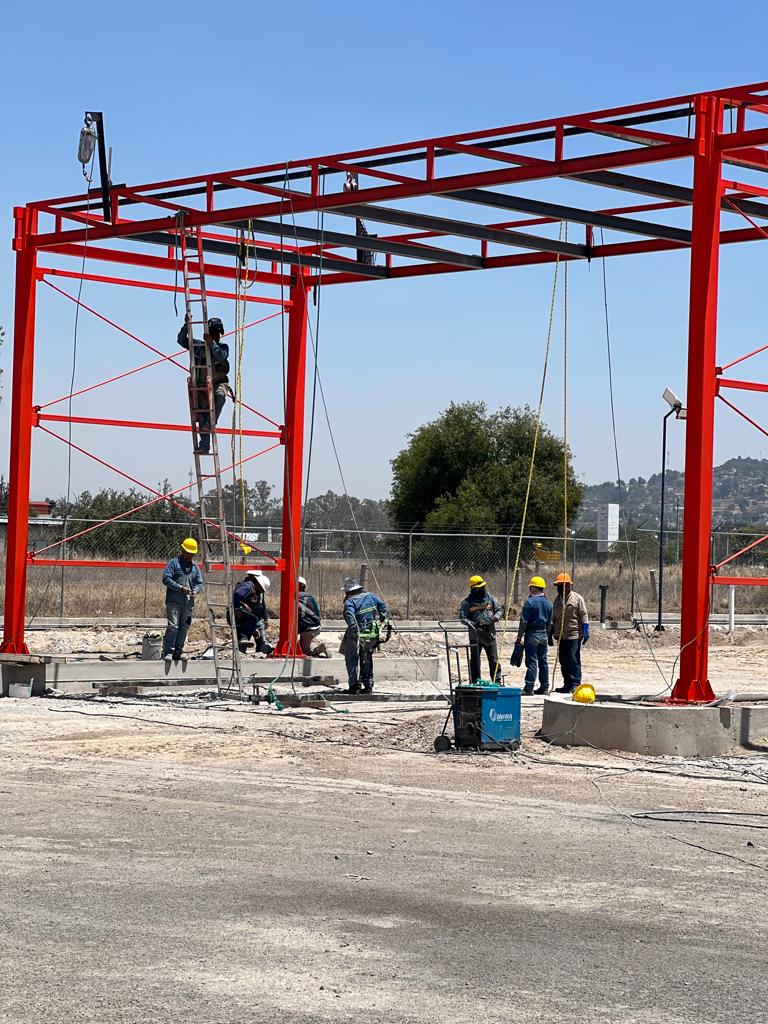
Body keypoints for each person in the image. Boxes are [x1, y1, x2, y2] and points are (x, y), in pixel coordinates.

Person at [177, 314, 230, 454]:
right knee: (202, 413)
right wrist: (186, 326)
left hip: (218, 383)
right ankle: (204, 445)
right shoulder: (199, 347)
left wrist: (211, 344)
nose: (216, 336)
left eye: (217, 334)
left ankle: (211, 423)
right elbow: (181, 340)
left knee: (220, 397)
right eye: (213, 333)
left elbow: (221, 356)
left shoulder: (223, 347)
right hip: (202, 386)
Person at [341, 577, 388, 694]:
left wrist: (354, 632)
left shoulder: (349, 602)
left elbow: (350, 617)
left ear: (348, 591)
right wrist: (382, 621)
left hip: (356, 634)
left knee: (351, 658)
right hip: (371, 632)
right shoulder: (371, 596)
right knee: (366, 658)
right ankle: (368, 686)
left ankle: (354, 686)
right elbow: (383, 607)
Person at [162, 538, 204, 663]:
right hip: (174, 602)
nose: (190, 556)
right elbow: (166, 579)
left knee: (184, 627)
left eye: (192, 554)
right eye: (188, 553)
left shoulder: (195, 568)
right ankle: (168, 651)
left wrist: (195, 590)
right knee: (173, 626)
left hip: (187, 603)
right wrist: (180, 588)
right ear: (183, 550)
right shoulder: (173, 563)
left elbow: (199, 583)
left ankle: (178, 652)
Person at [512, 576, 554, 696]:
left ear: (534, 588)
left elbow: (524, 622)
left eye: (530, 587)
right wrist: (547, 635)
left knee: (532, 662)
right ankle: (544, 687)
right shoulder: (549, 604)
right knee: (543, 661)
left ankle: (529, 687)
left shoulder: (529, 602)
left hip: (532, 635)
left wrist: (519, 637)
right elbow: (550, 623)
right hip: (543, 634)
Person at [459, 574, 503, 684]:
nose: (483, 589)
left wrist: (493, 618)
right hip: (475, 637)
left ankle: (496, 681)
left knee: (494, 660)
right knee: (475, 661)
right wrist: (474, 624)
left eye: (483, 586)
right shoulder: (467, 602)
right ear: (473, 589)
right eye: (480, 588)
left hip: (489, 635)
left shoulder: (491, 599)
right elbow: (462, 618)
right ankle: (475, 682)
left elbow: (499, 610)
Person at [551, 572, 590, 694]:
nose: (559, 588)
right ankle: (567, 684)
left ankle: (576, 684)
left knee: (573, 659)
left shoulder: (577, 599)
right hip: (561, 636)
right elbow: (554, 618)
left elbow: (584, 614)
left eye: (561, 586)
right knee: (563, 660)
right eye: (558, 586)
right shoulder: (557, 601)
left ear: (568, 586)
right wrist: (551, 631)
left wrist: (585, 629)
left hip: (574, 635)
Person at [232, 569, 273, 655]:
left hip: (255, 618)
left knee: (260, 638)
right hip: (245, 617)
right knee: (244, 638)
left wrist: (265, 617)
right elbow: (237, 596)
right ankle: (240, 652)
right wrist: (237, 609)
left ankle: (260, 652)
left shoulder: (256, 590)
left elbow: (262, 604)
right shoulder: (247, 586)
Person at [298, 576, 328, 657]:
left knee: (304, 652)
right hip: (316, 626)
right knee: (300, 646)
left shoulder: (294, 597)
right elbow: (317, 610)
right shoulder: (310, 597)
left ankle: (320, 649)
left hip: (307, 628)